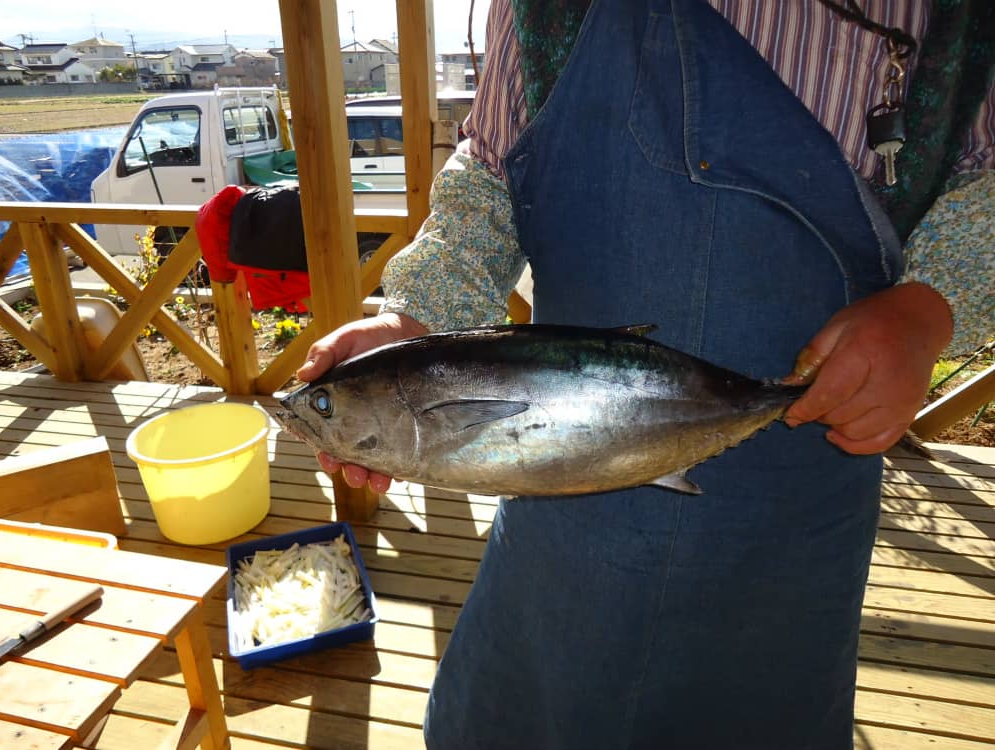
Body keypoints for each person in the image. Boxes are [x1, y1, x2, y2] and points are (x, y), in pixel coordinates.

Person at [298, 1, 993, 747]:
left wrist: (928, 311)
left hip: (791, 524)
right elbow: (492, 171)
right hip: (562, 512)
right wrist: (417, 319)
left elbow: (982, 181)